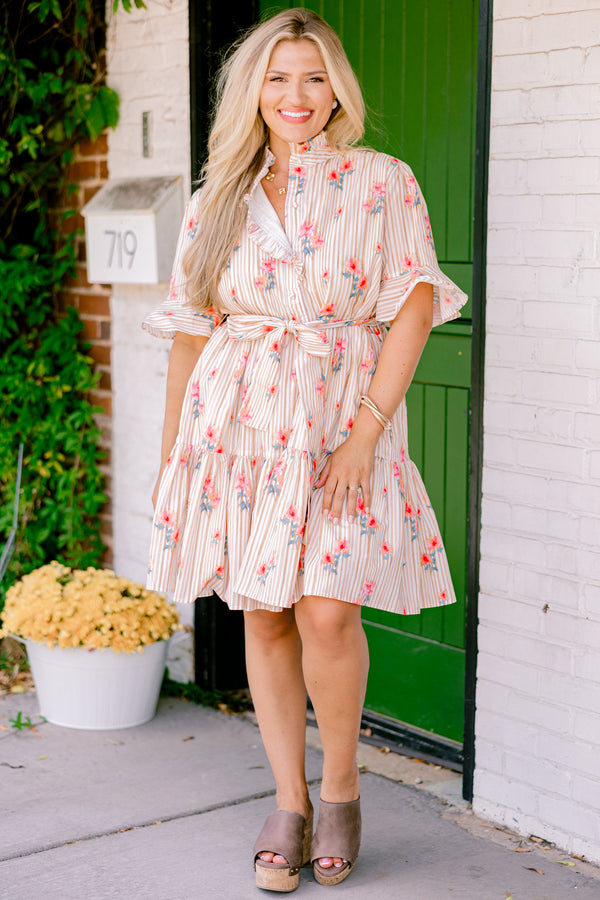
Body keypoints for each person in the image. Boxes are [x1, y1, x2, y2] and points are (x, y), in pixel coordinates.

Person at [143, 7, 467, 892]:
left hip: (339, 421)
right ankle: (287, 801)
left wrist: (367, 429)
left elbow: (413, 305)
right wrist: (176, 458)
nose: (296, 95)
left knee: (328, 610)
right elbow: (187, 334)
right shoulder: (218, 197)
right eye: (278, 78)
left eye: (314, 77)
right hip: (237, 428)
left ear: (338, 92)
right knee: (265, 612)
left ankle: (342, 786)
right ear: (253, 92)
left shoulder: (382, 181)